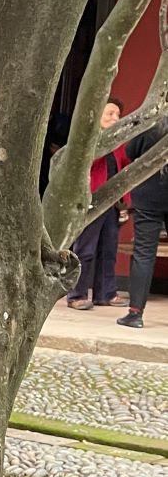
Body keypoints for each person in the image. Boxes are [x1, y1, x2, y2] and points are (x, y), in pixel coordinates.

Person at [68, 97, 128, 310]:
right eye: (110, 113)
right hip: (91, 201)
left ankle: (106, 294)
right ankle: (77, 295)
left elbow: (124, 170)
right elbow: (83, 165)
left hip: (112, 204)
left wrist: (125, 204)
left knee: (109, 250)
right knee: (85, 250)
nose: (115, 118)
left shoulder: (119, 141)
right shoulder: (88, 139)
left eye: (118, 115)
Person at [120, 116, 168, 327]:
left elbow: (130, 151)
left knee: (144, 254)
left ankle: (135, 313)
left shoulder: (152, 123)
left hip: (149, 194)